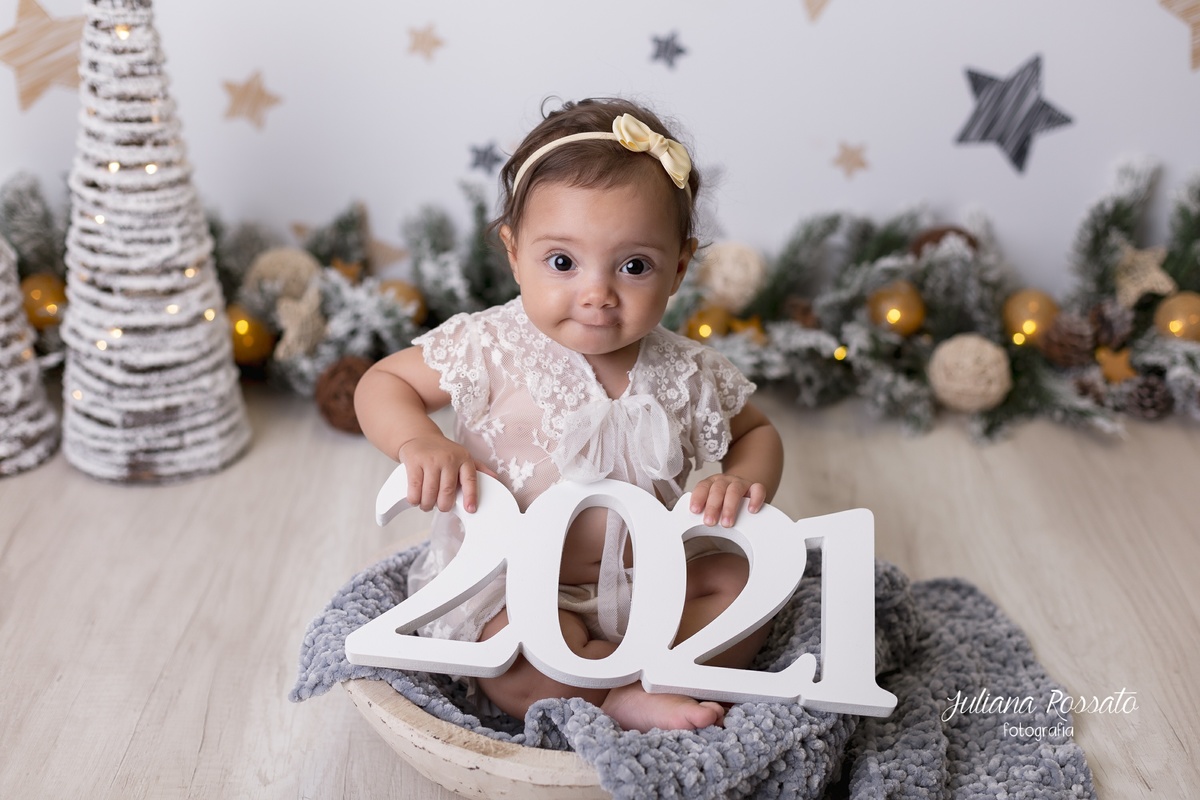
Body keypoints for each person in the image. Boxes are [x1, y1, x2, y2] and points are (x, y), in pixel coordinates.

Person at [355, 97, 784, 733]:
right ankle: (614, 702)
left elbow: (758, 431)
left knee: (740, 580)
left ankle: (656, 674)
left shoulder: (688, 371)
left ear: (679, 268)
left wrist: (742, 480)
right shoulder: (491, 345)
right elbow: (383, 381)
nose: (597, 294)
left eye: (634, 266)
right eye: (562, 262)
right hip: (514, 589)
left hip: (649, 581)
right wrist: (420, 442)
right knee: (515, 660)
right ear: (513, 251)